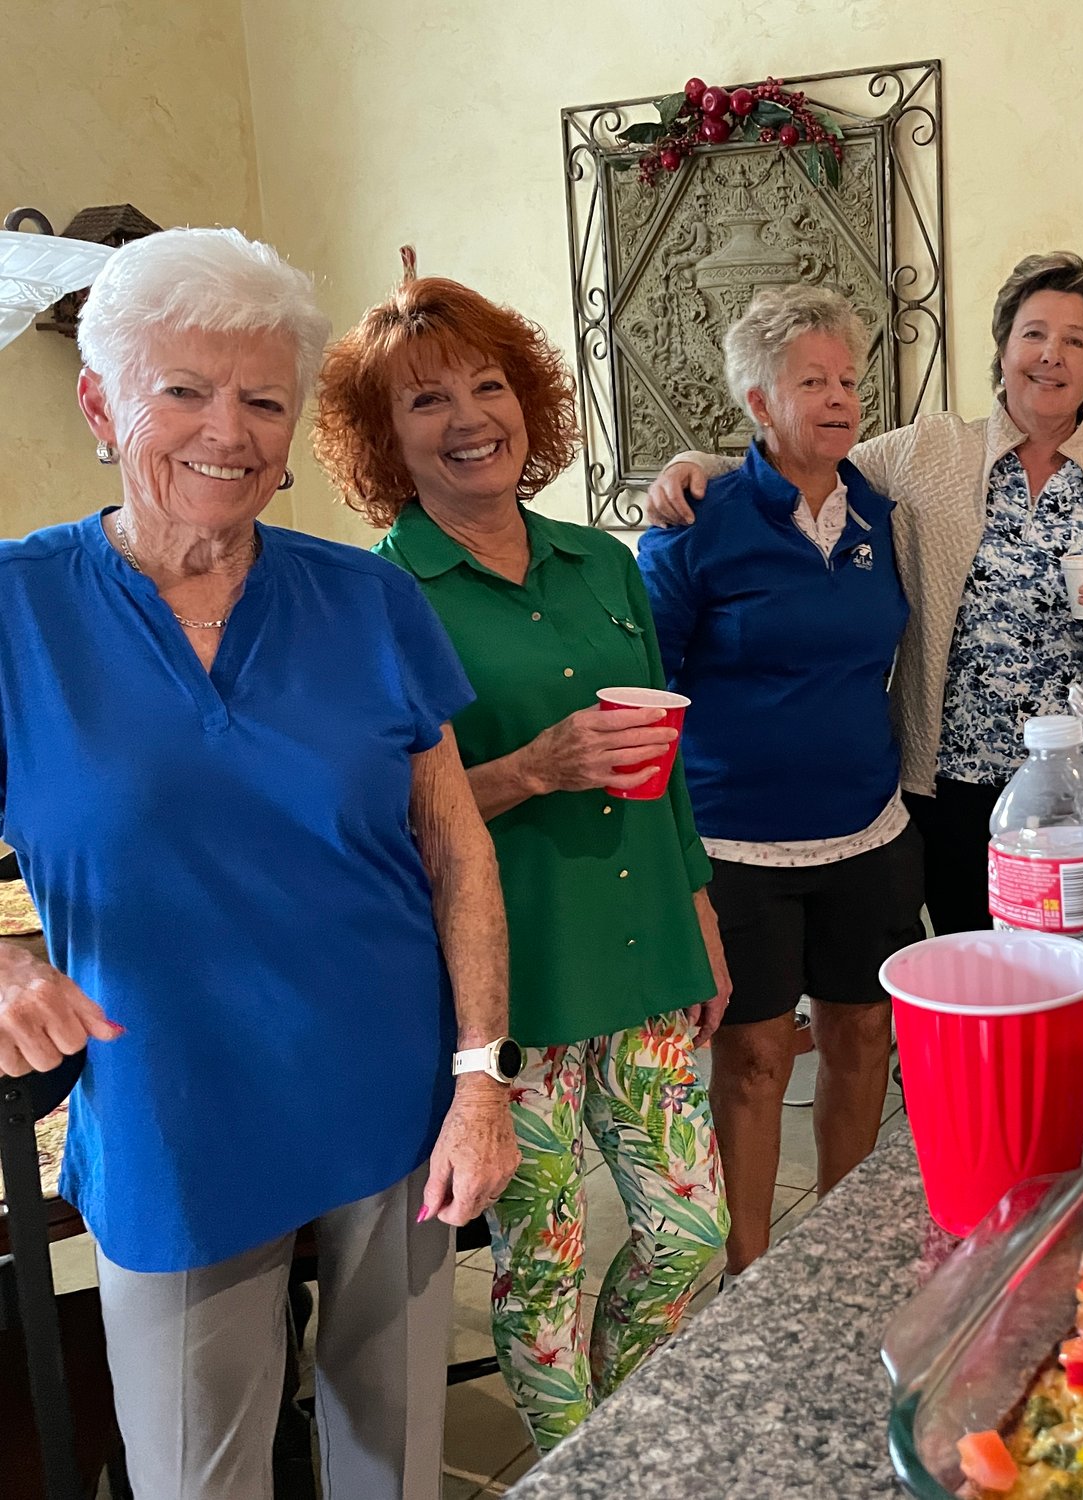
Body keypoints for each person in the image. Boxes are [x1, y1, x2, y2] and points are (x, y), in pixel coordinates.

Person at [0, 228, 519, 1499]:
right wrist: (5, 956)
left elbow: (454, 848)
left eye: (262, 398)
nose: (225, 430)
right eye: (183, 390)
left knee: (389, 1466)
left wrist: (478, 1077)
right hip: (172, 1112)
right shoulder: (18, 607)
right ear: (101, 402)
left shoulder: (369, 600)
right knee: (196, 1474)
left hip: (395, 1099)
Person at [315, 268, 730, 1451]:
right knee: (539, 1279)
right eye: (425, 402)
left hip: (646, 951)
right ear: (384, 440)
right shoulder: (375, 598)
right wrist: (529, 771)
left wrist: (697, 916)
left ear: (529, 403)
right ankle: (577, 1468)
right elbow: (380, 828)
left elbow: (667, 763)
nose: (468, 420)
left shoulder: (601, 564)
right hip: (509, 991)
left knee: (690, 1234)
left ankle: (625, 1430)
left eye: (487, 387)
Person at [647, 252, 1083, 933]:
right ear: (1003, 349)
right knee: (973, 980)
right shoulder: (928, 449)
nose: (1051, 355)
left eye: (1075, 340)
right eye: (1033, 334)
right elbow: (808, 461)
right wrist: (693, 464)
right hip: (952, 786)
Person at [636, 285, 924, 1274]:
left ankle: (839, 1264)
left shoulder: (880, 515)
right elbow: (648, 691)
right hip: (737, 845)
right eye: (813, 381)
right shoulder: (694, 526)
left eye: (848, 379)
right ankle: (753, 1272)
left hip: (866, 834)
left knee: (860, 1045)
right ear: (759, 403)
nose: (840, 398)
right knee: (755, 1062)